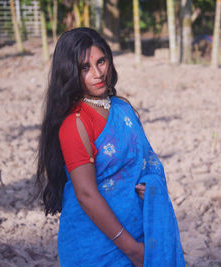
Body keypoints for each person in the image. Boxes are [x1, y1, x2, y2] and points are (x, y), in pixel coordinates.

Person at [36, 28, 185, 267]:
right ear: (69, 73)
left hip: (138, 229)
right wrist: (133, 250)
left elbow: (144, 160)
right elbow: (86, 195)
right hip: (97, 247)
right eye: (85, 68)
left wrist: (150, 184)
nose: (97, 73)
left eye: (101, 61)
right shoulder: (76, 123)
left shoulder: (122, 109)